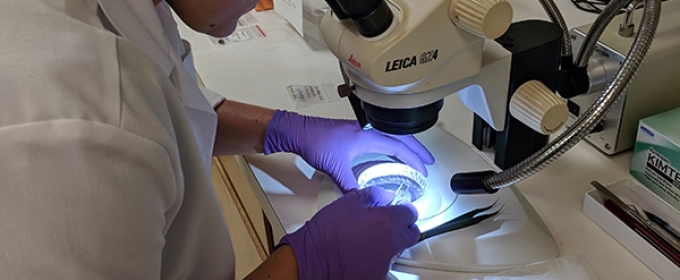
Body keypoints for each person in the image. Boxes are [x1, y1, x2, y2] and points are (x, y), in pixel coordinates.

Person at [0, 0, 434, 279]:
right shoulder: (74, 130)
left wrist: (285, 129)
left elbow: (168, 104)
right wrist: (307, 263)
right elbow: (126, 117)